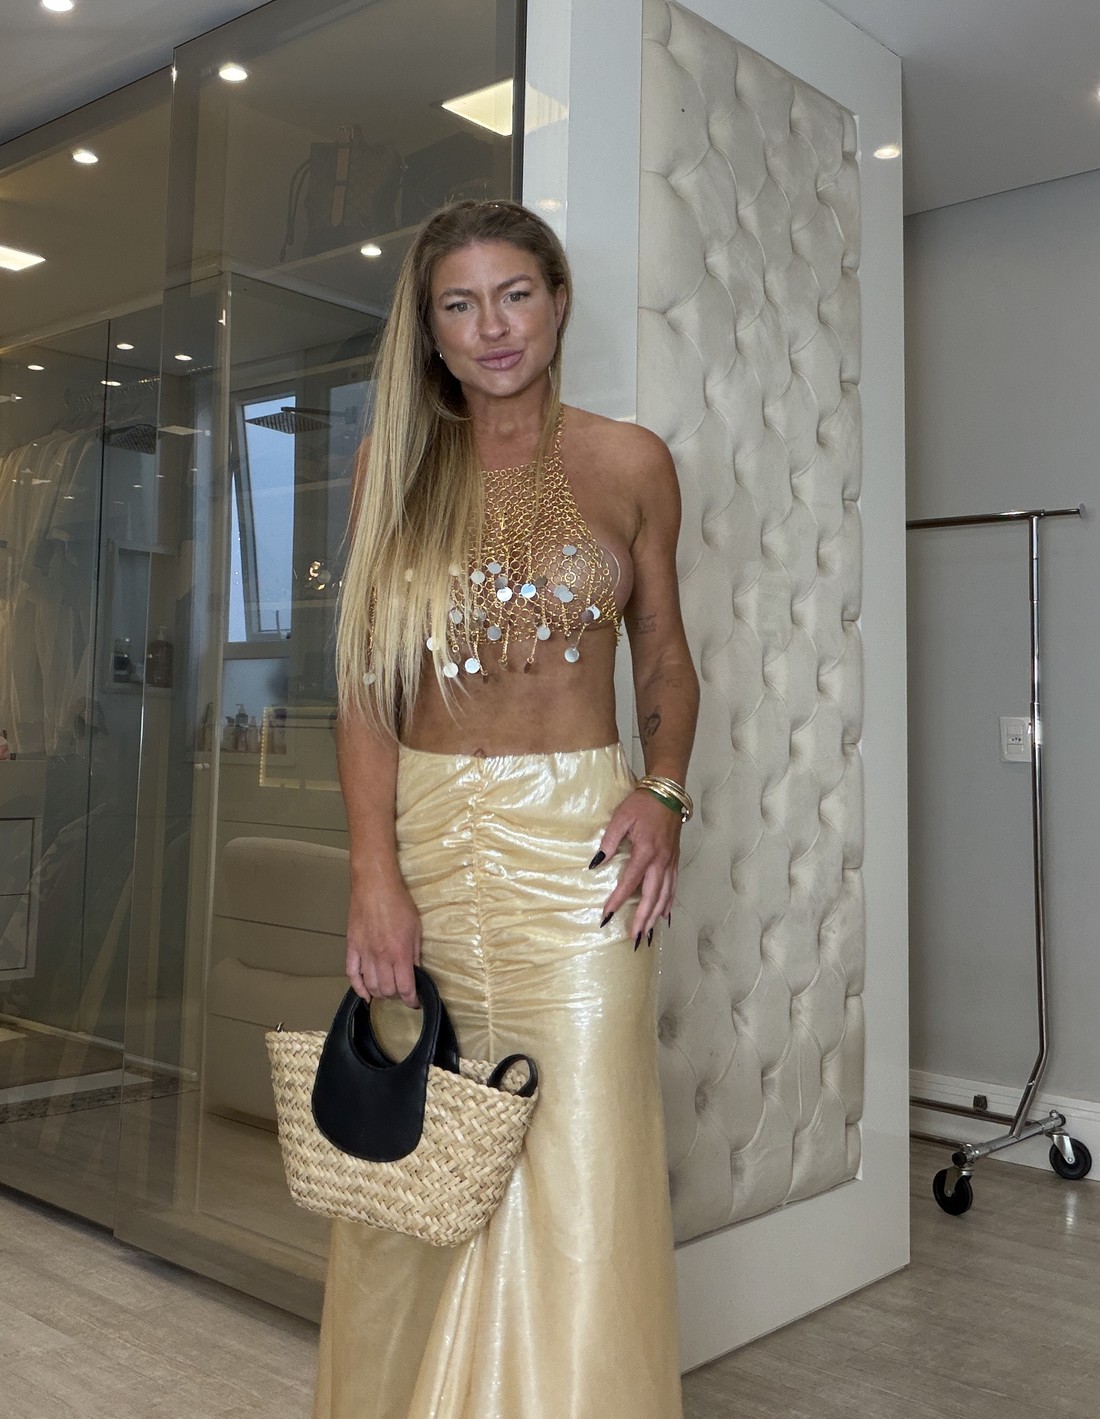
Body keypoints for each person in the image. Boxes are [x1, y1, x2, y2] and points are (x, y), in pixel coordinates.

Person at [315, 198, 699, 1419]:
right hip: (428, 837)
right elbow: (366, 689)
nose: (492, 327)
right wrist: (372, 876)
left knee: (581, 1149)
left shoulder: (631, 463)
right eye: (459, 304)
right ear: (429, 329)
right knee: (418, 1142)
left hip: (581, 844)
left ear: (558, 301)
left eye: (514, 294)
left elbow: (664, 656)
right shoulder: (393, 468)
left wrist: (663, 790)